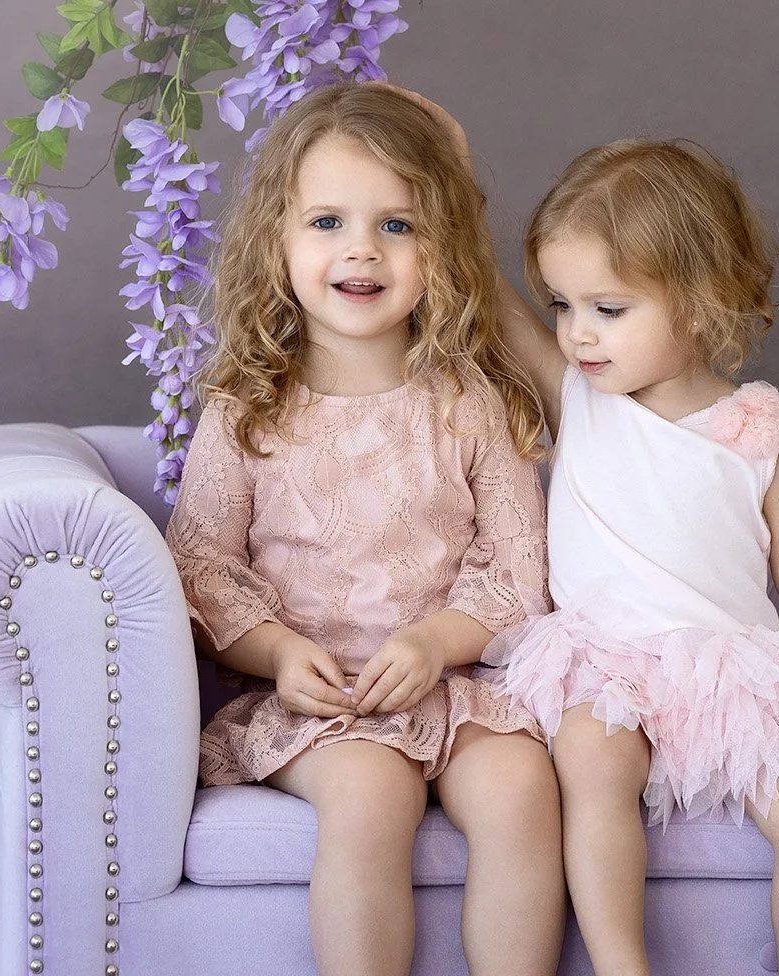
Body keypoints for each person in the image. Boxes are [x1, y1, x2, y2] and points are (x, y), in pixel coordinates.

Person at [405, 91, 779, 976]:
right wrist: (453, 179)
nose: (577, 335)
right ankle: (622, 963)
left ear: (700, 301)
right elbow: (491, 300)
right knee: (591, 759)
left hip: (731, 663)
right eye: (565, 306)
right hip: (606, 660)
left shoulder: (760, 430)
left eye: (609, 309)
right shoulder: (577, 396)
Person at [164, 81, 565, 976]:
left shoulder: (472, 402)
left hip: (447, 683)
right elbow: (201, 568)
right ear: (278, 239)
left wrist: (434, 641)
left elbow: (516, 569)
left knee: (523, 789)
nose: (362, 250)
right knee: (372, 797)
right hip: (322, 702)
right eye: (328, 222)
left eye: (398, 225)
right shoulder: (245, 411)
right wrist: (275, 654)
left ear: (444, 248)